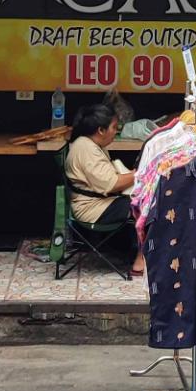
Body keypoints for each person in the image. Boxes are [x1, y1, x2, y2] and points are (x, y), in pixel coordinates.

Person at [64, 101, 143, 274]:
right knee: (148, 204)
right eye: (114, 127)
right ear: (101, 130)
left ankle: (139, 251)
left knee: (147, 198)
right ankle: (140, 260)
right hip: (93, 209)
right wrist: (142, 173)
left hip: (100, 202)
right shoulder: (86, 148)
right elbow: (111, 184)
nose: (116, 131)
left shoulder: (90, 144)